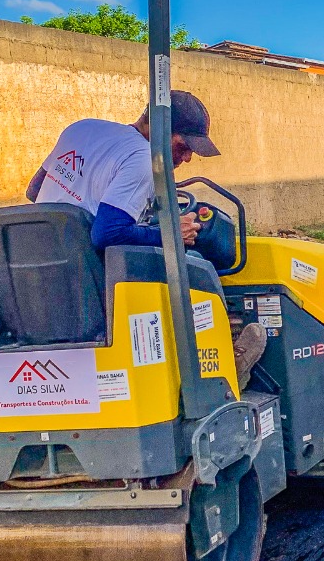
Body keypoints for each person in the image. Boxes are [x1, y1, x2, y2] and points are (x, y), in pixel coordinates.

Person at [26, 90, 266, 389]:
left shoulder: (83, 129)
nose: (188, 158)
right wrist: (171, 233)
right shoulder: (143, 160)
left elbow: (34, 192)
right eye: (183, 146)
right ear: (158, 128)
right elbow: (106, 234)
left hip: (44, 277)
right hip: (91, 282)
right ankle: (223, 368)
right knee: (193, 265)